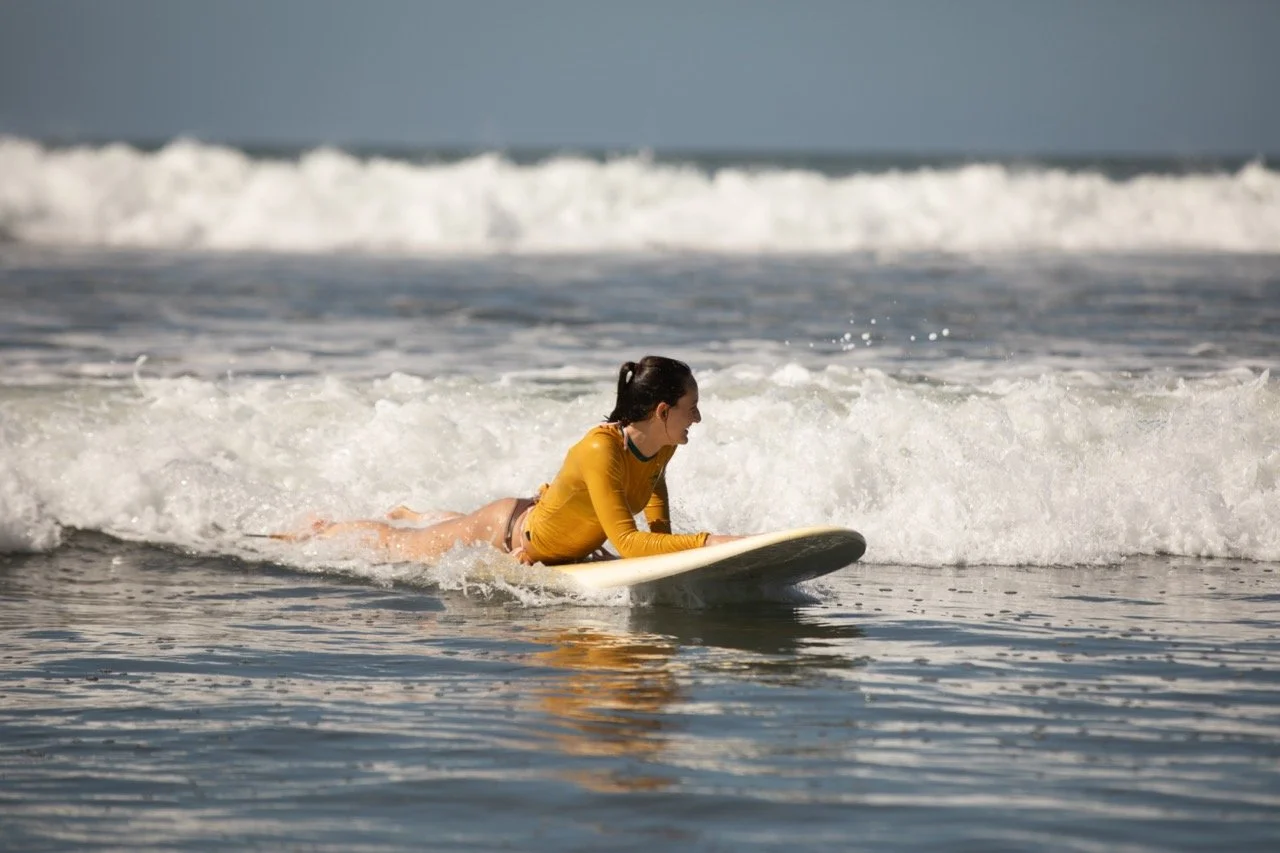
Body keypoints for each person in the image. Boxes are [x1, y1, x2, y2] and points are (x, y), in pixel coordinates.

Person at [285, 356, 740, 564]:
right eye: (691, 408)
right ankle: (323, 529)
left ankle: (418, 513)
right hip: (507, 532)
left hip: (544, 526)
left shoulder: (663, 445)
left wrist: (668, 551)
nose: (697, 418)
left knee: (438, 528)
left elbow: (652, 507)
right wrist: (712, 543)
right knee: (398, 547)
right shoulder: (600, 449)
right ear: (661, 411)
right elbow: (628, 542)